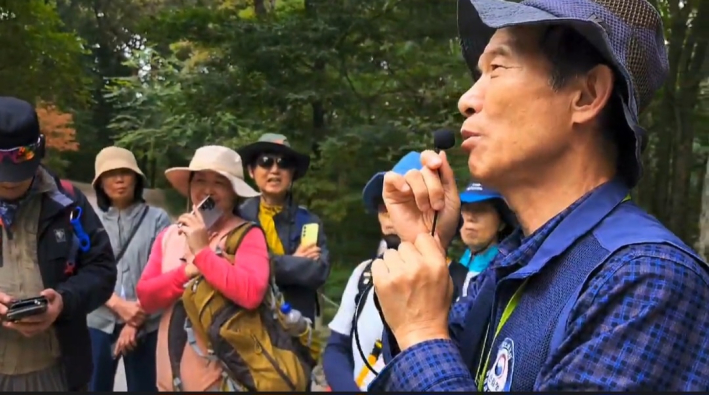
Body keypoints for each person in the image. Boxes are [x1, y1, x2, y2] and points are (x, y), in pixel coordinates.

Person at [367, 0, 709, 392]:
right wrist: (422, 247)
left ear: (586, 94)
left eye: (496, 68)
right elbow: (425, 369)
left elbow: (428, 349)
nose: (466, 100)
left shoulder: (647, 279)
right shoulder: (511, 269)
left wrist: (422, 331)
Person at [323, 151, 471, 392]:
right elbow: (337, 346)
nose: (392, 214)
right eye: (384, 207)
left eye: (409, 202)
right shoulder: (365, 274)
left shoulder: (464, 282)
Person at [0, 96, 116, 391]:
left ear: (39, 151)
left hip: (52, 372)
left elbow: (102, 269)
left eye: (18, 172)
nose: (9, 182)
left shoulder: (67, 203)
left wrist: (63, 301)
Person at [135, 145, 269, 392]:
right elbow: (146, 297)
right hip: (168, 379)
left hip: (224, 381)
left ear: (233, 191)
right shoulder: (169, 235)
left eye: (219, 182)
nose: (207, 190)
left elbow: (252, 293)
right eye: (199, 180)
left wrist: (203, 254)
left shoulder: (246, 235)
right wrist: (185, 273)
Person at [87, 147, 172, 392]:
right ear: (100, 183)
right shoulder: (89, 221)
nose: (119, 179)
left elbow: (164, 273)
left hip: (147, 323)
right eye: (111, 174)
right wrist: (116, 304)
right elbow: (82, 271)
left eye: (126, 172)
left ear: (137, 178)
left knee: (146, 387)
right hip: (98, 320)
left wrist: (135, 321)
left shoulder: (157, 219)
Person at [238, 133, 330, 322]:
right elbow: (237, 267)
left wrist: (265, 264)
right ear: (251, 171)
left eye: (283, 163)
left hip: (298, 325)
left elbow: (317, 271)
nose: (274, 170)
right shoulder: (238, 218)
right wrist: (294, 262)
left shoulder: (309, 222)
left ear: (292, 173)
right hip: (247, 324)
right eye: (265, 162)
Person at [452, 181, 515, 298]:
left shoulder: (504, 270)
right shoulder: (462, 260)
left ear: (501, 223)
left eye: (480, 209)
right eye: (465, 209)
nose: (470, 217)